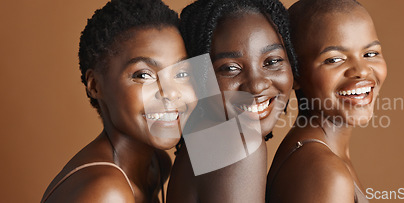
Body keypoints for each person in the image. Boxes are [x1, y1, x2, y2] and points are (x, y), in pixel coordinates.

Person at [41, 0, 197, 202]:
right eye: (143, 75)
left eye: (182, 73)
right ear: (95, 85)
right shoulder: (108, 192)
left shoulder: (156, 165)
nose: (170, 93)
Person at [167, 0, 297, 202]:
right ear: (198, 77)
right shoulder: (239, 144)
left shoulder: (205, 139)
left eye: (272, 62)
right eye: (230, 68)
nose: (256, 85)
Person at [266, 0, 387, 202]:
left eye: (370, 54)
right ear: (294, 73)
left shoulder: (323, 156)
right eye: (334, 59)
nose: (362, 70)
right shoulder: (325, 172)